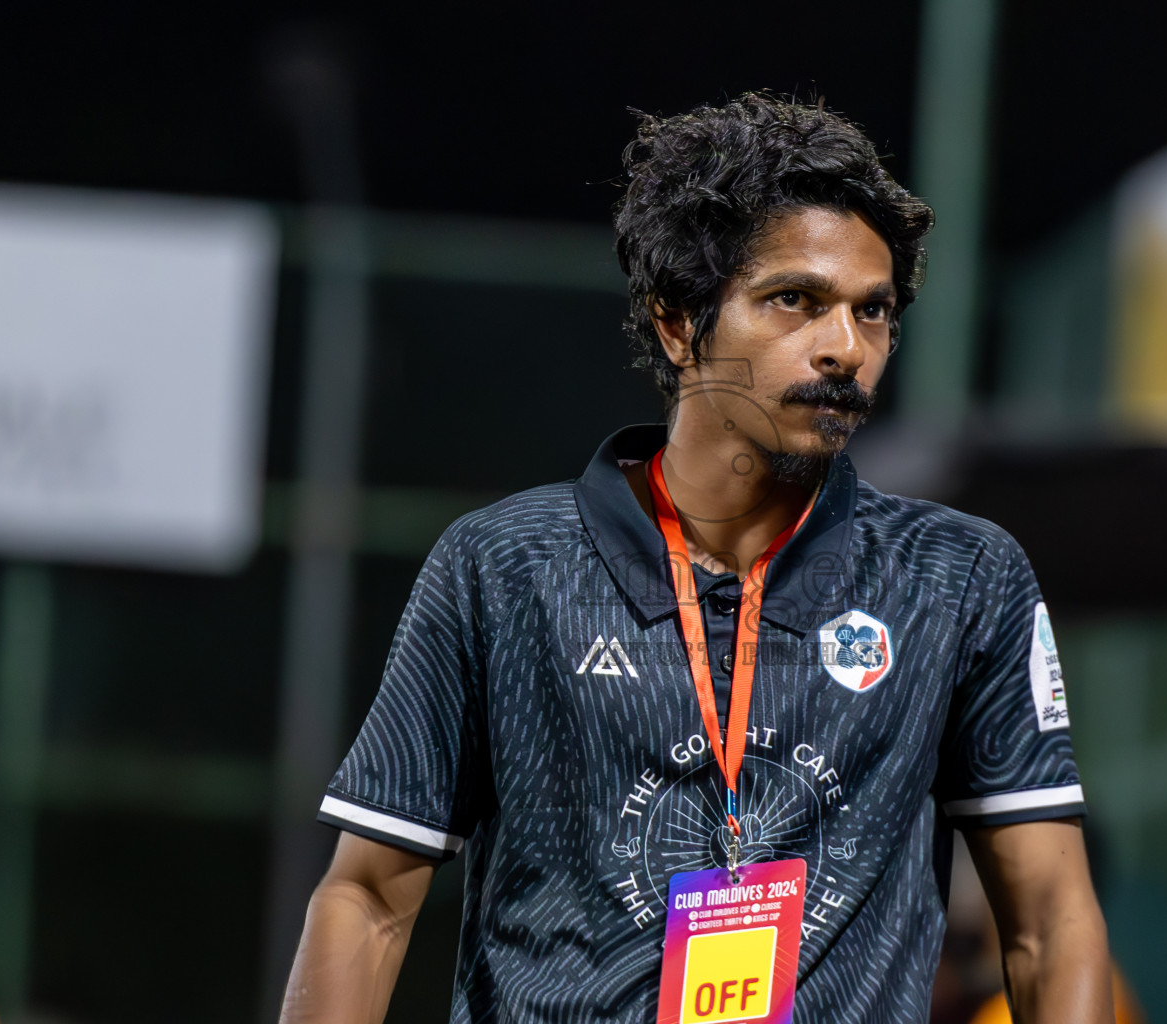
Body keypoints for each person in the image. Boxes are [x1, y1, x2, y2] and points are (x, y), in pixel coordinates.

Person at [279, 92, 1113, 1024]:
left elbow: (1048, 919)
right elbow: (366, 900)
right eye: (794, 300)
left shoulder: (960, 579)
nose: (846, 347)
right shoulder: (504, 567)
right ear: (679, 322)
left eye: (872, 312)